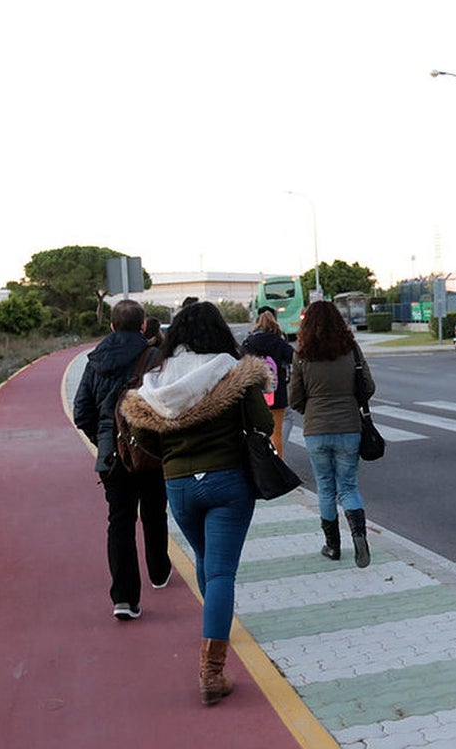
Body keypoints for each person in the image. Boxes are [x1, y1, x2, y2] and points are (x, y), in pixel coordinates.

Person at [119, 301, 273, 706]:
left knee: (206, 559)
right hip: (227, 481)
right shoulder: (230, 367)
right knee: (221, 574)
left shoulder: (157, 378)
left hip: (179, 486)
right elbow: (262, 423)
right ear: (217, 330)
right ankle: (212, 671)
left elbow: (148, 436)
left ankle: (214, 627)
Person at [72, 299, 171, 621]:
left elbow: (81, 412)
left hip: (111, 456)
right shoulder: (156, 358)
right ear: (143, 325)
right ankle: (158, 571)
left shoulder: (94, 360)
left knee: (120, 521)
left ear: (112, 325)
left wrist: (102, 440)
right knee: (155, 511)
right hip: (151, 451)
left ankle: (124, 599)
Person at [288, 300, 374, 568]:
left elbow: (294, 397)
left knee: (325, 487)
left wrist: (310, 410)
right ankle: (359, 536)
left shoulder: (301, 352)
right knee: (348, 486)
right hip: (349, 426)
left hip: (316, 429)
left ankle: (333, 546)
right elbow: (368, 386)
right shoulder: (351, 349)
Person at [241, 310, 295, 455]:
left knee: (256, 432)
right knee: (276, 432)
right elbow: (293, 357)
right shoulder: (278, 341)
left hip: (256, 394)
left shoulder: (249, 342)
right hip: (277, 393)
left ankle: (262, 464)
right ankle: (278, 464)